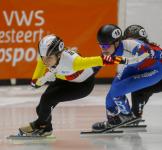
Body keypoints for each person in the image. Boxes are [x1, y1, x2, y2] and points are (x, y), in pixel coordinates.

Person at [19, 35, 148, 136]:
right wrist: (42, 80)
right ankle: (46, 128)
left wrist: (131, 60)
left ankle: (38, 125)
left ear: (59, 54)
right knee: (41, 108)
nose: (45, 61)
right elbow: (33, 85)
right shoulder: (44, 59)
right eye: (43, 57)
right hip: (65, 79)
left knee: (48, 99)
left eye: (49, 58)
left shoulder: (75, 62)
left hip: (83, 85)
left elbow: (103, 60)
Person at [92, 24, 162, 132]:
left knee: (116, 91)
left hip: (154, 70)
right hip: (135, 66)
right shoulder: (109, 47)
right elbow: (99, 64)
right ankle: (112, 122)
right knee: (110, 97)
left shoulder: (136, 48)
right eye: (101, 46)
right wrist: (86, 79)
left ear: (117, 43)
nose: (103, 49)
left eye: (106, 46)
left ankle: (127, 116)